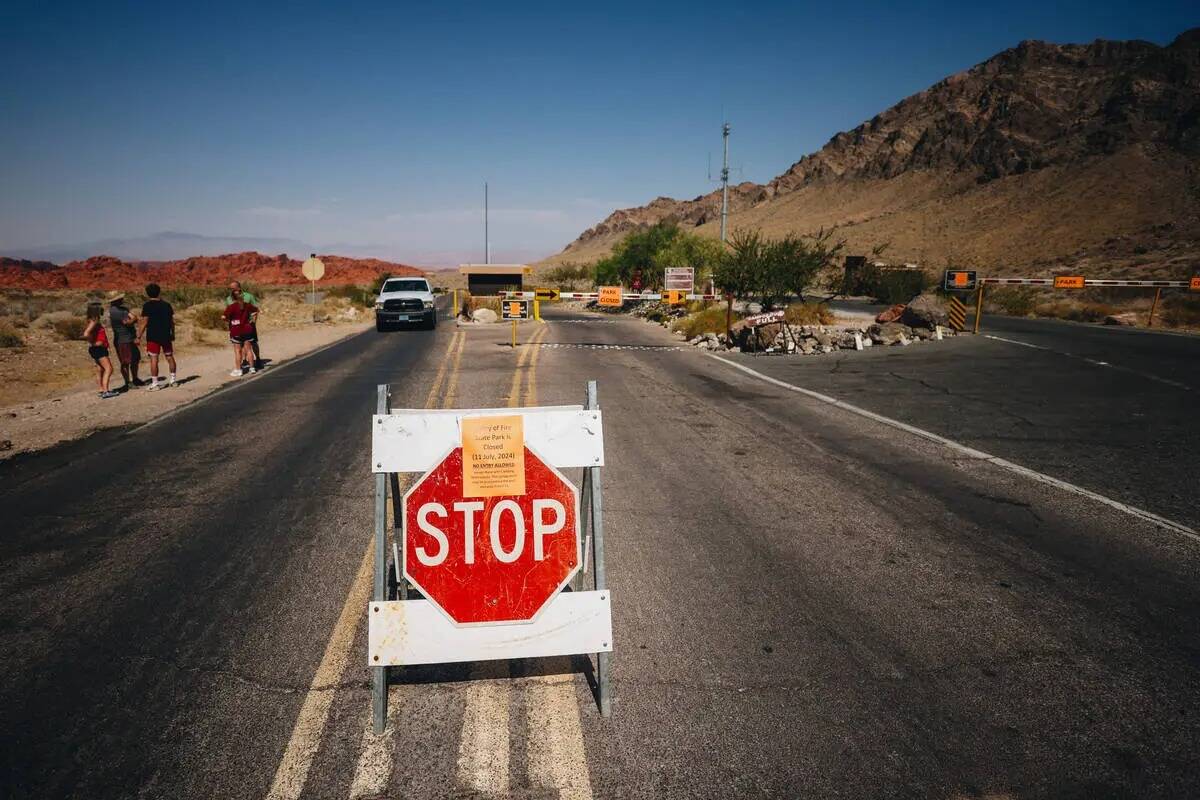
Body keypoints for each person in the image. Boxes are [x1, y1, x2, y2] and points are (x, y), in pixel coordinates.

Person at [138, 283, 177, 390]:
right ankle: (173, 380)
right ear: (159, 292)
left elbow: (145, 322)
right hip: (165, 334)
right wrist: (172, 333)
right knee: (169, 356)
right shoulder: (167, 305)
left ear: (147, 293)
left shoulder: (147, 306)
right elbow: (172, 322)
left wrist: (139, 336)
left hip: (153, 336)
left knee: (154, 359)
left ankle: (155, 383)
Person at [107, 291, 142, 389]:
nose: (122, 300)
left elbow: (134, 318)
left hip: (129, 338)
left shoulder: (122, 309)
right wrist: (133, 319)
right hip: (123, 340)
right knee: (125, 362)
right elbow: (129, 321)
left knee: (135, 359)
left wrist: (133, 319)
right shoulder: (115, 311)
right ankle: (128, 382)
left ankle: (135, 378)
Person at [83, 302, 119, 398]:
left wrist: (92, 342)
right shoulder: (94, 320)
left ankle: (101, 389)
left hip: (96, 348)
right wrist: (95, 343)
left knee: (100, 369)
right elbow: (86, 333)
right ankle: (106, 391)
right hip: (98, 348)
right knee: (109, 369)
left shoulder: (91, 320)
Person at [226, 281, 263, 370]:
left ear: (239, 288)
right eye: (230, 288)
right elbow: (228, 312)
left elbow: (255, 309)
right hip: (236, 326)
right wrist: (230, 324)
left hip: (248, 324)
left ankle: (257, 359)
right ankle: (244, 362)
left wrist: (253, 322)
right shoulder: (228, 299)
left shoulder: (248, 296)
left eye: (233, 288)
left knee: (253, 343)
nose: (231, 290)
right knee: (239, 345)